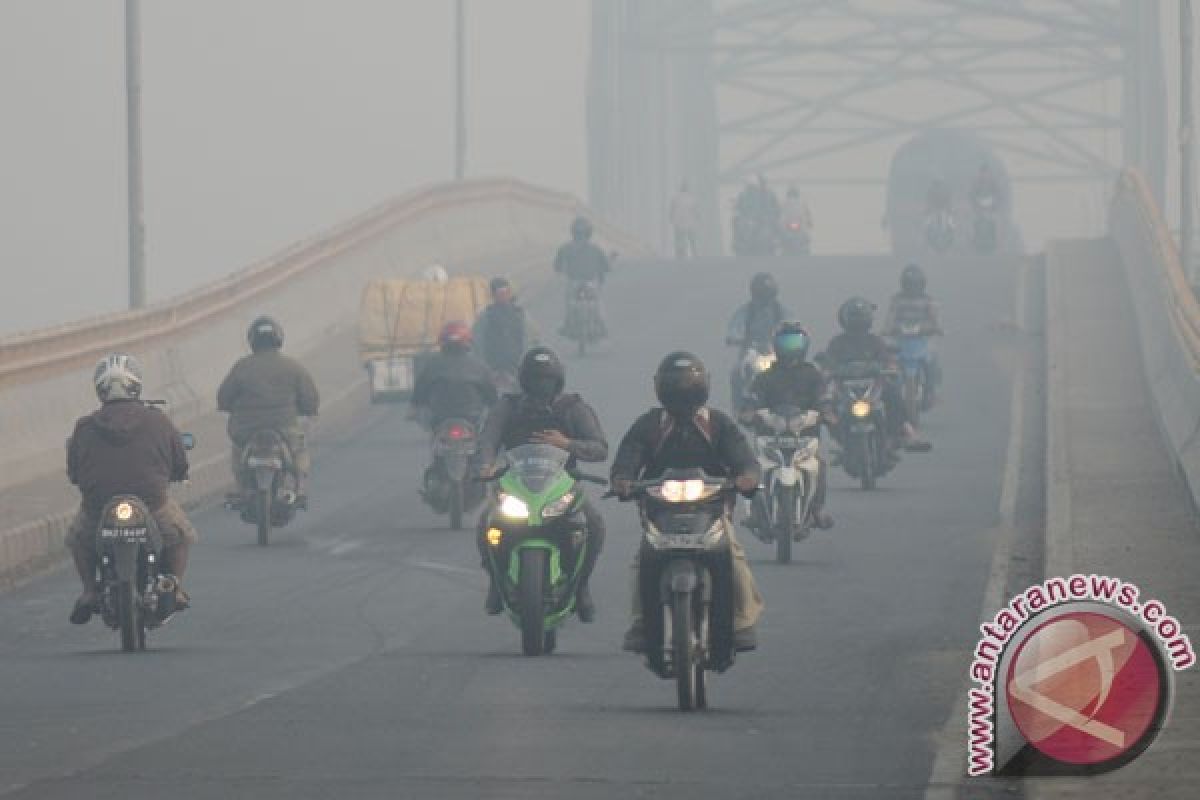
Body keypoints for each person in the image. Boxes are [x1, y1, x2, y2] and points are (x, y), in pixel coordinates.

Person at [611, 352, 764, 653]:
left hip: (711, 512)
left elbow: (744, 459)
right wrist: (622, 480)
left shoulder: (719, 424)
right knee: (641, 562)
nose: (682, 393)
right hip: (659, 513)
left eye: (687, 386)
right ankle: (642, 621)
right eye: (676, 387)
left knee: (734, 558)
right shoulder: (648, 425)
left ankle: (742, 621)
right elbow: (627, 457)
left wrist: (747, 476)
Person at [477, 346, 608, 622]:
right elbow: (488, 437)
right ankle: (495, 584)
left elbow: (600, 448)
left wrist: (567, 444)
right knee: (485, 524)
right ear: (524, 380)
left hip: (563, 487)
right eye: (536, 379)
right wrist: (486, 464)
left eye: (547, 379)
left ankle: (582, 587)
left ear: (558, 380)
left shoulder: (574, 408)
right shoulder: (508, 406)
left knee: (593, 525)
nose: (541, 385)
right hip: (515, 487)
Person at [65, 354, 197, 624]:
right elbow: (179, 462)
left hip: (98, 508)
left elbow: (74, 473)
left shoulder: (85, 426)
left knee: (78, 539)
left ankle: (90, 591)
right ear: (136, 386)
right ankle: (174, 586)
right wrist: (177, 474)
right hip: (152, 504)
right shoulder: (158, 421)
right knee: (181, 535)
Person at [739, 322, 834, 530]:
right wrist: (749, 412)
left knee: (819, 466)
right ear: (776, 345)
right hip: (770, 436)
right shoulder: (765, 376)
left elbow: (823, 398)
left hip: (805, 436)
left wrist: (826, 412)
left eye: (795, 342)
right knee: (756, 467)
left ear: (804, 345)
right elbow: (752, 398)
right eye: (786, 342)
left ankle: (817, 509)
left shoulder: (812, 374)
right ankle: (756, 511)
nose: (790, 348)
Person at [217, 316, 320, 504]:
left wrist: (230, 408)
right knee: (299, 450)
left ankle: (241, 489)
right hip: (286, 428)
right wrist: (308, 411)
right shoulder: (293, 367)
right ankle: (300, 487)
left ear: (252, 341)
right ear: (278, 339)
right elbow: (310, 398)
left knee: (238, 452)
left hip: (246, 429)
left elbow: (223, 398)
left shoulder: (242, 367)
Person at [821, 297, 929, 451]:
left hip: (873, 386)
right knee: (827, 403)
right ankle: (836, 437)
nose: (858, 322)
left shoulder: (875, 341)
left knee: (894, 397)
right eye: (855, 318)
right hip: (844, 387)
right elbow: (828, 363)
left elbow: (888, 359)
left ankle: (908, 434)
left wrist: (891, 368)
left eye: (861, 317)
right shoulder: (837, 343)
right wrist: (826, 372)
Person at [883, 263, 943, 406]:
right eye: (909, 284)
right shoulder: (896, 299)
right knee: (889, 365)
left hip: (922, 340)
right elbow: (890, 316)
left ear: (922, 285)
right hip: (900, 340)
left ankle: (930, 390)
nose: (912, 288)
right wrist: (886, 329)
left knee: (932, 362)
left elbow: (934, 317)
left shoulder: (928, 300)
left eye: (915, 284)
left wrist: (937, 328)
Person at [472, 277, 539, 382]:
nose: (504, 296)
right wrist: (485, 367)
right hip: (493, 369)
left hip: (517, 367)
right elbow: (477, 342)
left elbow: (532, 338)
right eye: (500, 293)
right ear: (493, 295)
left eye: (506, 292)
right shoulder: (485, 316)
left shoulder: (520, 314)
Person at [554, 217, 611, 338]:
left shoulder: (566, 247)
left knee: (570, 303)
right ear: (589, 233)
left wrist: (559, 270)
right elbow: (606, 266)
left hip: (574, 282)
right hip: (590, 282)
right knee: (597, 304)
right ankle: (602, 326)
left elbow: (557, 265)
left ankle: (567, 325)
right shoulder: (596, 248)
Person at [669, 179, 699, 258]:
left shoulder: (676, 197)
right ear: (687, 188)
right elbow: (695, 210)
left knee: (679, 239)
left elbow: (672, 209)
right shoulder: (691, 198)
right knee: (691, 239)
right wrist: (697, 218)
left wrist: (671, 219)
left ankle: (680, 254)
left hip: (678, 222)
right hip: (689, 222)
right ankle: (694, 253)